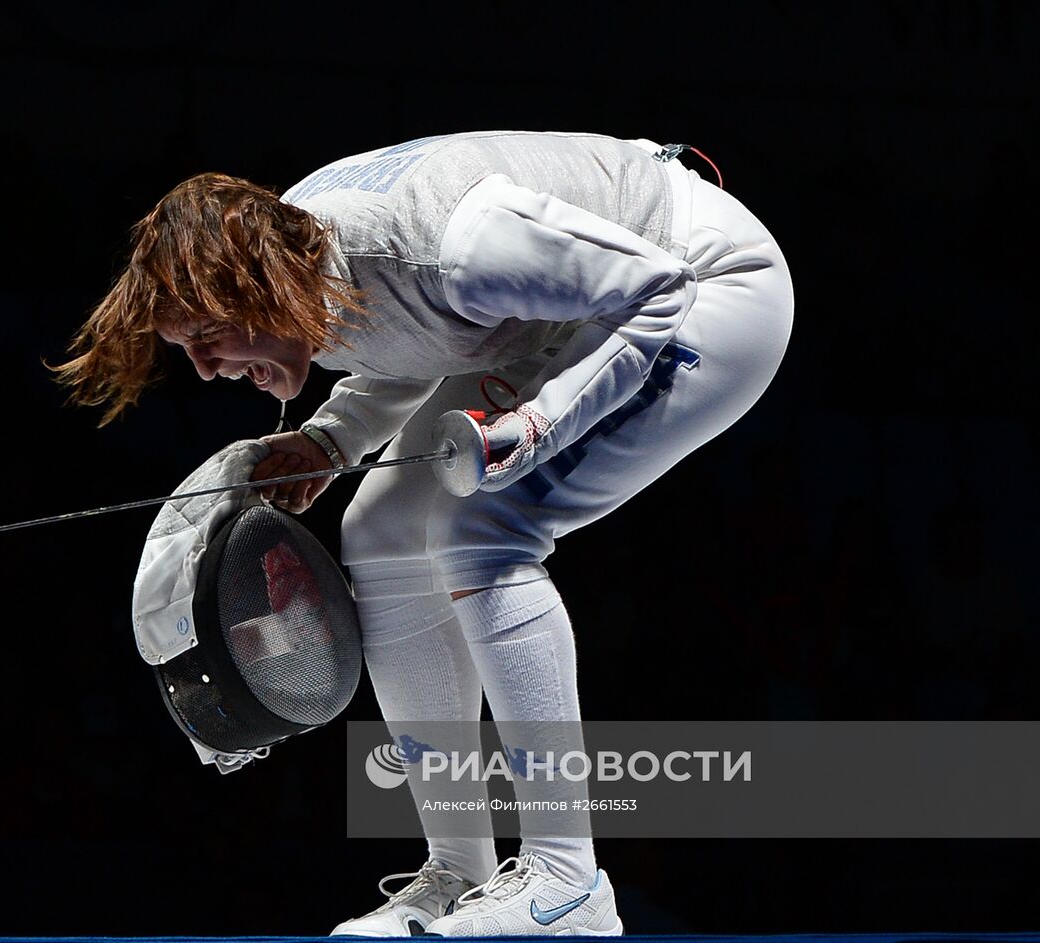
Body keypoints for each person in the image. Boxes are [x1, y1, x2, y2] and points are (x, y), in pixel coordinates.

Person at [52, 130, 794, 937]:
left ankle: (566, 883)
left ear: (254, 284)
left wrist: (541, 422)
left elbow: (655, 289)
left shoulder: (457, 242)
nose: (204, 369)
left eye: (206, 339)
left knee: (489, 523)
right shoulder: (309, 261)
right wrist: (331, 439)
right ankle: (459, 872)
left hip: (709, 283)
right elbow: (421, 330)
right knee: (379, 528)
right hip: (564, 312)